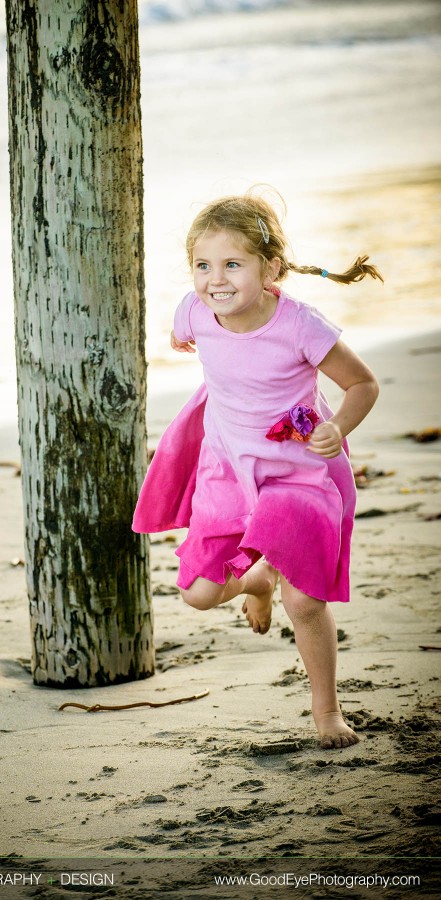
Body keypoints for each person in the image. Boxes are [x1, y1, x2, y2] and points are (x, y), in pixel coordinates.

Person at [133, 191, 382, 750]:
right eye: (202, 265)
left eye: (232, 264)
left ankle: (326, 711)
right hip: (230, 470)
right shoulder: (196, 310)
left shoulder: (302, 326)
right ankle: (255, 578)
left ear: (270, 268)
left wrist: (337, 427)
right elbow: (184, 333)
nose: (214, 279)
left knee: (305, 601)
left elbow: (363, 384)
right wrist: (180, 332)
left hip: (298, 474)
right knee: (197, 592)